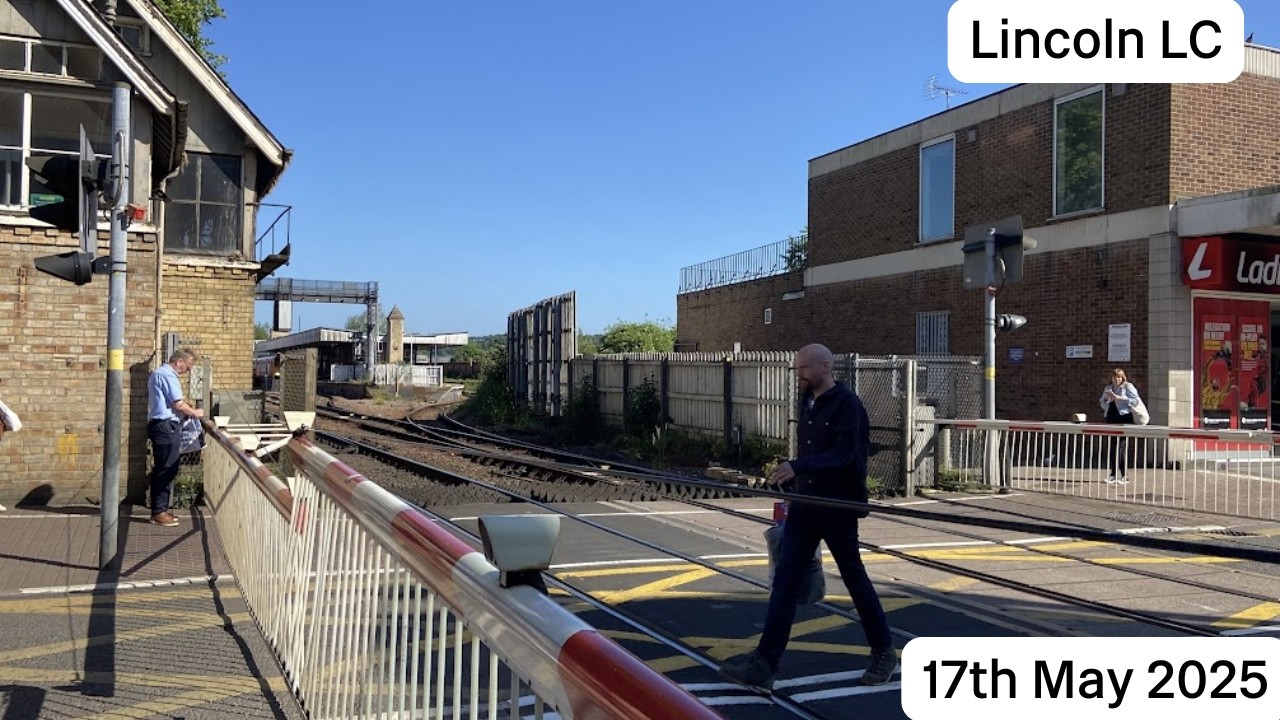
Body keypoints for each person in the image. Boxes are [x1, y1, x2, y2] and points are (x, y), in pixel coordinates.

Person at [719, 344, 896, 691]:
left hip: (837, 506)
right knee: (784, 582)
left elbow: (845, 455)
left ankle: (884, 652)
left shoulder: (848, 405)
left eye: (803, 368)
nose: (798, 374)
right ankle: (765, 664)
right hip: (804, 504)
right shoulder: (807, 401)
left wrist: (797, 467)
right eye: (797, 368)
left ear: (826, 366)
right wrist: (794, 482)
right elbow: (811, 450)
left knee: (854, 578)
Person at [147, 349, 203, 526]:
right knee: (167, 468)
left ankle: (159, 509)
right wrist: (195, 412)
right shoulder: (168, 375)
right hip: (166, 426)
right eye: (187, 367)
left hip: (160, 425)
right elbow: (178, 404)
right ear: (179, 361)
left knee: (163, 467)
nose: (187, 371)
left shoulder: (158, 373)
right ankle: (159, 512)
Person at [1099, 368, 1142, 484]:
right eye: (1114, 377)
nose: (1116, 379)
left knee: (1122, 447)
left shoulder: (1128, 387)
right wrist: (1107, 400)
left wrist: (1120, 398)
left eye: (1119, 377)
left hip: (1124, 417)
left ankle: (1124, 475)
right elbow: (1102, 402)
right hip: (1111, 417)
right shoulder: (1108, 388)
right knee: (1113, 446)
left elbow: (1135, 401)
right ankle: (1112, 474)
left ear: (1123, 378)